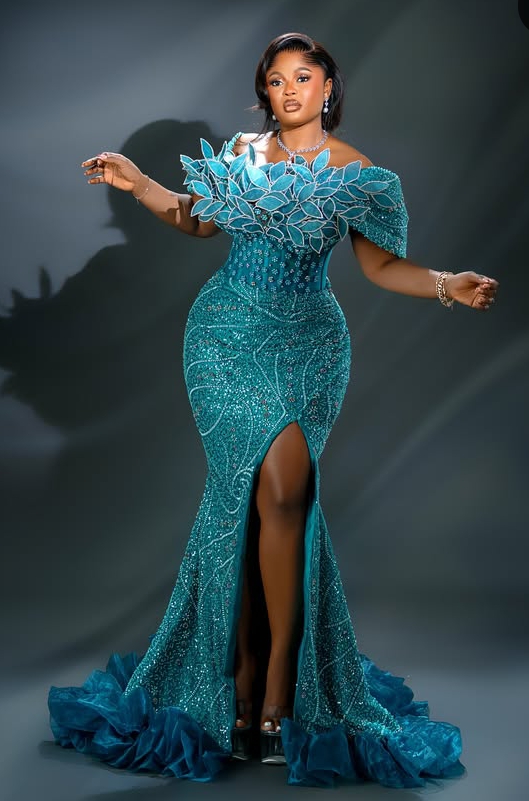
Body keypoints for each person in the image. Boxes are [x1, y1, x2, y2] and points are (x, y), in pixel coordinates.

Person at [48, 32, 498, 789]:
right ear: (266, 92)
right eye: (276, 80)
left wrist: (447, 283)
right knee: (258, 495)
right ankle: (243, 678)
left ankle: (276, 687)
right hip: (225, 337)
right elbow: (198, 219)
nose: (288, 90)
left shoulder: (360, 176)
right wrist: (140, 182)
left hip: (311, 347)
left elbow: (380, 265)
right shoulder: (242, 155)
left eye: (303, 76)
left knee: (285, 497)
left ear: (328, 86)